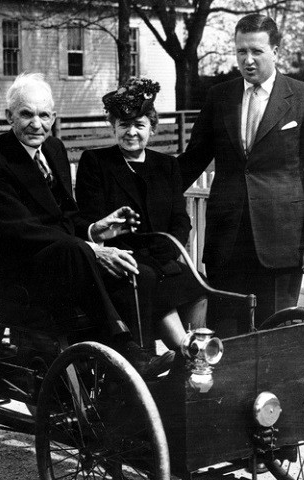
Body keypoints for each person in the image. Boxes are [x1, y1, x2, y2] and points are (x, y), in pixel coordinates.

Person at [0, 72, 174, 374]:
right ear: (9, 117)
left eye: (44, 115)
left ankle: (126, 376)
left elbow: (64, 216)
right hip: (18, 271)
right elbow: (21, 229)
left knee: (139, 273)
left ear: (53, 118)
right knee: (78, 251)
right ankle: (125, 352)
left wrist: (95, 229)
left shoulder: (54, 149)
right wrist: (91, 249)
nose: (36, 124)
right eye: (26, 114)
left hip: (63, 259)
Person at [178, 14, 304, 334]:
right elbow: (192, 160)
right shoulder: (220, 96)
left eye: (257, 51)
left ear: (275, 51)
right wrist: (144, 186)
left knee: (275, 332)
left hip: (281, 239)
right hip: (227, 238)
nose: (248, 60)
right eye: (241, 51)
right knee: (226, 334)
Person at [75, 77, 207, 353]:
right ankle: (180, 354)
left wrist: (170, 248)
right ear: (113, 127)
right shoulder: (96, 163)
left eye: (139, 125)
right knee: (147, 280)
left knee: (199, 286)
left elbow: (180, 219)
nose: (131, 132)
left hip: (162, 257)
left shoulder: (167, 166)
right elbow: (90, 220)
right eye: (124, 125)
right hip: (120, 261)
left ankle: (193, 351)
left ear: (152, 128)